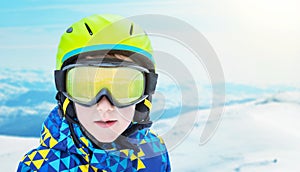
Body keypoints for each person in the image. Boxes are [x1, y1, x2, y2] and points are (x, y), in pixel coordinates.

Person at [17, 14, 171, 172]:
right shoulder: (39, 167)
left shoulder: (154, 151)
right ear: (65, 95)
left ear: (145, 94)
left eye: (123, 87)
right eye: (85, 87)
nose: (104, 107)